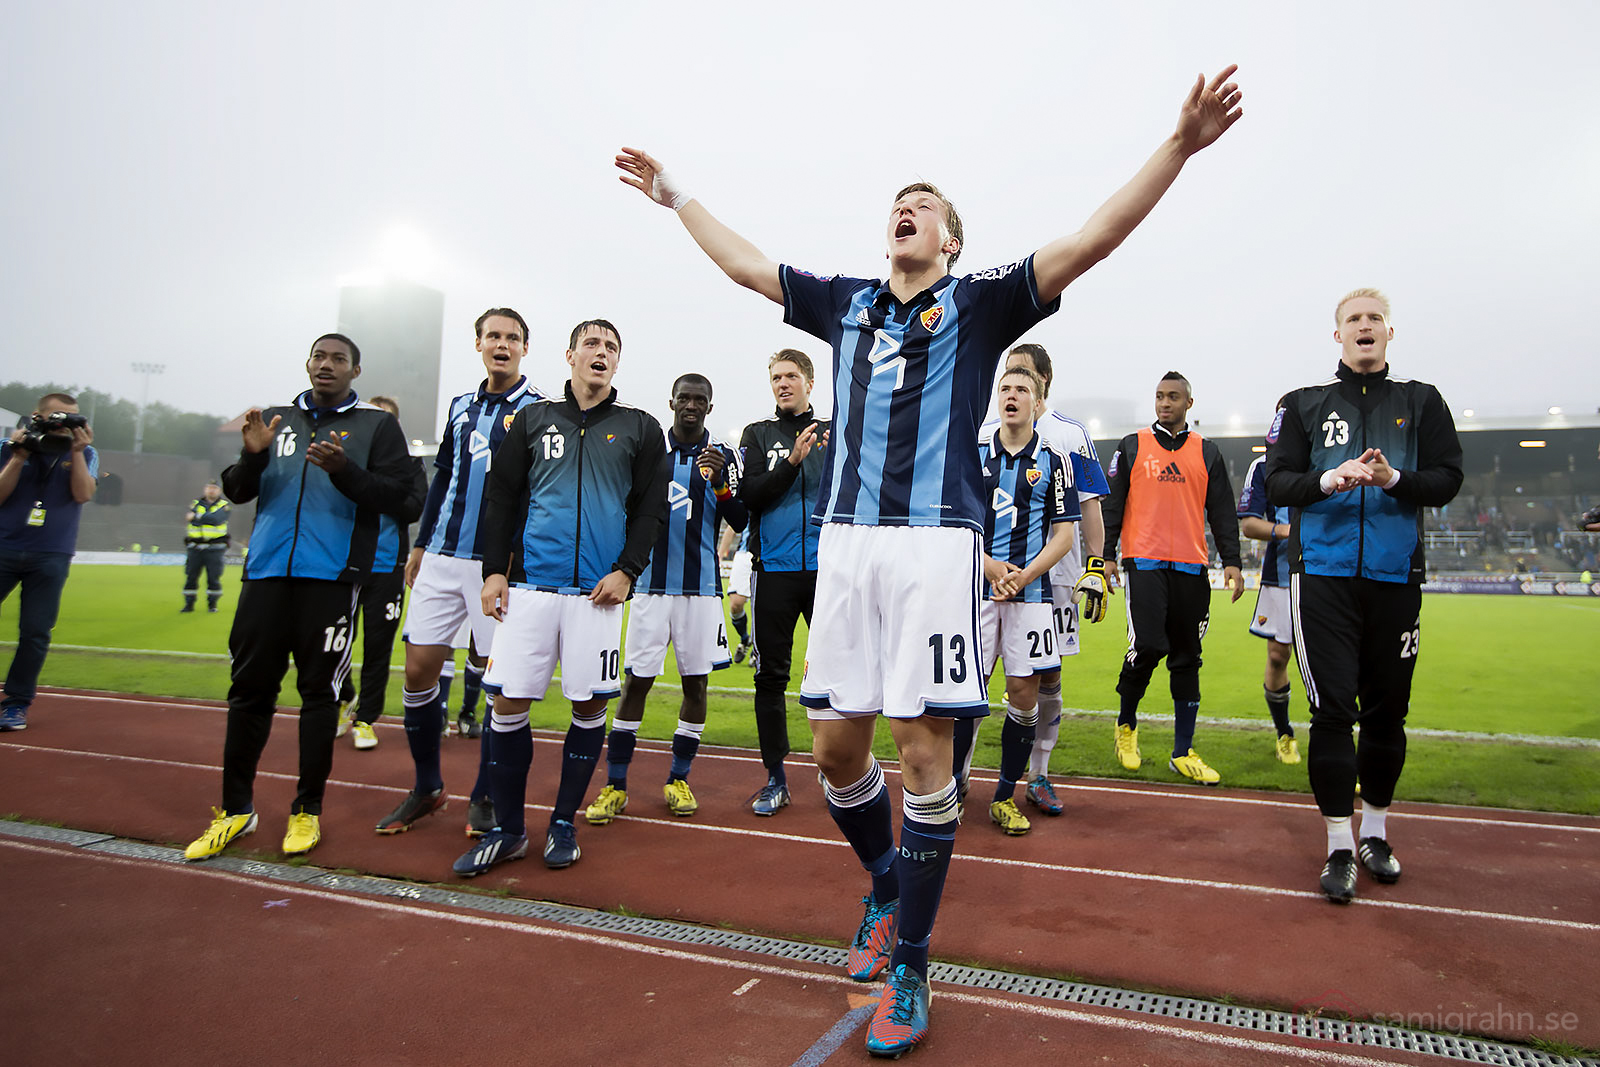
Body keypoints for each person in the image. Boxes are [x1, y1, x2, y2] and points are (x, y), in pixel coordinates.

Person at [617, 61, 1244, 1058]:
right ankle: (880, 881)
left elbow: (1094, 237)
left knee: (922, 753)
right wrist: (675, 195)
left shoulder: (986, 301)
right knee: (835, 751)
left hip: (937, 548)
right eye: (896, 203)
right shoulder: (845, 302)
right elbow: (747, 265)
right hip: (849, 548)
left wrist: (1177, 144)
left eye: (924, 206)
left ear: (950, 239)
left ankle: (911, 959)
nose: (904, 209)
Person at [182, 333, 425, 861]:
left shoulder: (377, 426)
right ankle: (235, 810)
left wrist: (346, 473)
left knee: (319, 697)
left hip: (333, 580)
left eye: (339, 359)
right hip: (266, 574)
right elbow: (239, 490)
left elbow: (407, 501)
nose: (327, 365)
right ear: (307, 364)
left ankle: (306, 810)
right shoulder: (273, 419)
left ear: (355, 371)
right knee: (248, 693)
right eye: (319, 356)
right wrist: (251, 458)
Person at [1263, 288, 1462, 904]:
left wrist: (1392, 478)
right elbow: (1276, 480)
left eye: (1375, 318)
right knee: (1331, 713)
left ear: (1390, 333)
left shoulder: (1422, 402)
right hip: (1321, 578)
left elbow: (1449, 478)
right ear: (1338, 336)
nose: (1365, 327)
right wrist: (1331, 477)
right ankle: (1339, 846)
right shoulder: (1301, 405)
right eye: (1354, 319)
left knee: (1387, 713)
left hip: (1395, 577)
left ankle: (1375, 832)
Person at [452, 319, 666, 877]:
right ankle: (510, 829)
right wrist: (493, 572)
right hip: (528, 588)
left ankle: (564, 821)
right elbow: (501, 499)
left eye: (611, 347)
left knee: (590, 706)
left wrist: (627, 571)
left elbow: (650, 511)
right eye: (592, 344)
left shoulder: (641, 428)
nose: (601, 353)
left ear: (618, 363)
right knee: (507, 705)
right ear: (569, 356)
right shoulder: (531, 420)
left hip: (596, 594)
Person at [374, 309, 546, 838]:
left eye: (512, 338)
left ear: (524, 348)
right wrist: (421, 543)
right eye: (493, 336)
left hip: (497, 567)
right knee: (419, 672)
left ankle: (485, 795)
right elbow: (444, 473)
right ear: (478, 344)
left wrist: (515, 562)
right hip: (442, 557)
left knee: (499, 687)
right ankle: (427, 787)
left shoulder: (539, 412)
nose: (502, 344)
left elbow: (537, 493)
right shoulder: (460, 407)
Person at [584, 373, 746, 824]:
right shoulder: (650, 453)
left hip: (701, 591)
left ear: (710, 407)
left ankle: (679, 778)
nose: (691, 405)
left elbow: (739, 515)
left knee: (696, 684)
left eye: (700, 399)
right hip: (651, 589)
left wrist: (718, 484)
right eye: (685, 398)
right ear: (672, 402)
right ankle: (615, 785)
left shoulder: (726, 457)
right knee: (636, 682)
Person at [983, 343, 1110, 815]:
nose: (1012, 383)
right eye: (1007, 374)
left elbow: (1091, 505)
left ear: (1042, 385)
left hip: (1052, 578)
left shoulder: (1071, 435)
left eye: (1023, 375)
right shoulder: (984, 433)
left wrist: (1096, 564)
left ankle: (1039, 773)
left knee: (1046, 676)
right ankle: (960, 782)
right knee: (976, 680)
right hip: (987, 577)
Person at [1102, 372, 1244, 785]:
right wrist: (1106, 557)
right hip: (1143, 563)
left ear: (1189, 403)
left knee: (1187, 656)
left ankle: (1183, 751)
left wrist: (1231, 561)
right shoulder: (1132, 446)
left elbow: (1221, 511)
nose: (1165, 403)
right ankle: (1126, 727)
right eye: (1160, 396)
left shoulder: (1208, 452)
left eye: (1173, 397)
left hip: (1190, 566)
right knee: (1146, 645)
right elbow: (1114, 505)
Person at [955, 365, 1079, 836]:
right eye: (1005, 388)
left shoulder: (1054, 461)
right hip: (976, 591)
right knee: (967, 694)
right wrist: (988, 565)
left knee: (1025, 697)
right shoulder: (971, 454)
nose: (1011, 396)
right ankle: (955, 785)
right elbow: (951, 521)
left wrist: (1025, 574)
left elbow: (1065, 535)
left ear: (1037, 401)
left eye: (1021, 390)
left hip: (1031, 596)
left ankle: (1005, 795)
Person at [734, 350, 830, 816]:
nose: (783, 383)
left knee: (839, 673)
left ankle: (840, 766)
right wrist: (791, 462)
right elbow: (750, 496)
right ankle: (775, 778)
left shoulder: (835, 432)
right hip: (774, 571)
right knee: (770, 677)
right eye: (776, 377)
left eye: (791, 376)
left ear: (809, 382)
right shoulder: (758, 435)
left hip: (829, 572)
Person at [335, 395, 428, 751]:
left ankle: (365, 719)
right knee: (332, 643)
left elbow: (413, 507)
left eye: (384, 421)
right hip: (342, 563)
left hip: (388, 563)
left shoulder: (409, 465)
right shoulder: (344, 461)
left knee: (378, 646)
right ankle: (343, 698)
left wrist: (369, 489)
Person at [0, 393, 97, 732]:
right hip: (3, 546)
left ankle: (15, 703)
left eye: (72, 418)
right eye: (58, 416)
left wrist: (76, 451)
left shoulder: (86, 452)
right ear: (37, 416)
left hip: (52, 553)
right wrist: (18, 455)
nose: (65, 423)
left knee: (36, 632)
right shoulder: (6, 446)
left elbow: (83, 495)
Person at [1237, 404, 1301, 764]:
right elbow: (1248, 525)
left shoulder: (1325, 459)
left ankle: (1335, 743)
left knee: (1329, 661)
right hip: (1280, 576)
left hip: (1327, 575)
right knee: (1278, 655)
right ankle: (1284, 733)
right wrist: (1287, 533)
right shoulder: (1262, 467)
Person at [181, 481, 229, 613]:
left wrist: (197, 517)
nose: (211, 490)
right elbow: (192, 519)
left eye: (214, 488)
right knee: (191, 576)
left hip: (215, 548)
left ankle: (212, 604)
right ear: (205, 489)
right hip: (195, 547)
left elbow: (216, 520)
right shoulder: (195, 503)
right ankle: (188, 604)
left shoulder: (224, 505)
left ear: (219, 491)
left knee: (213, 577)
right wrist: (206, 518)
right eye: (209, 488)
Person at [717, 523, 754, 663]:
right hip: (744, 554)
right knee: (735, 605)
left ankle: (758, 649)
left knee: (763, 606)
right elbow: (732, 527)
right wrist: (720, 555)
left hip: (770, 554)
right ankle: (745, 639)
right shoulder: (745, 502)